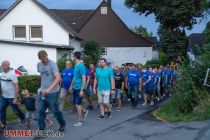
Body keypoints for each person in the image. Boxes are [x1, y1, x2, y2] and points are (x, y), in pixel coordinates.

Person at [37, 50, 65, 132]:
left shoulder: (52, 64)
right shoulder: (39, 64)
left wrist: (49, 89)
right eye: (42, 59)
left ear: (47, 55)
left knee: (55, 111)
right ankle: (41, 130)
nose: (44, 60)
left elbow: (58, 78)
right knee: (40, 111)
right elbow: (42, 76)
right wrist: (41, 88)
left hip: (53, 92)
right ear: (39, 59)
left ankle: (62, 124)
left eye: (45, 58)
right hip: (42, 92)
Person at [0, 60, 25, 130]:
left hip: (12, 97)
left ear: (8, 66)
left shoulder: (12, 74)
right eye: (2, 65)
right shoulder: (1, 74)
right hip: (4, 96)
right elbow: (2, 85)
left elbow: (16, 86)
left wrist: (15, 98)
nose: (2, 66)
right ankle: (3, 124)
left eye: (3, 65)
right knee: (2, 109)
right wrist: (2, 93)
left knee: (15, 110)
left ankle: (23, 118)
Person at [69, 52, 89, 127]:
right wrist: (71, 86)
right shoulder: (76, 65)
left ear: (74, 56)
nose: (72, 57)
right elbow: (74, 77)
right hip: (75, 87)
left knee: (77, 104)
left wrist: (81, 90)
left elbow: (84, 78)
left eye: (72, 55)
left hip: (80, 88)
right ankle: (84, 111)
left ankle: (79, 121)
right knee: (76, 104)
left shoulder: (81, 66)